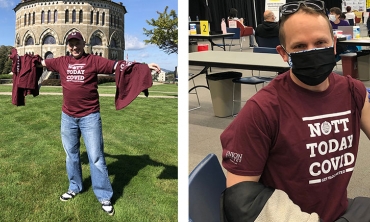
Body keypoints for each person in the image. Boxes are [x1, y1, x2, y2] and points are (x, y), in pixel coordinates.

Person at [220, 1, 370, 221]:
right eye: (300, 46)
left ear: (334, 44)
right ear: (283, 53)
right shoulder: (263, 109)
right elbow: (240, 198)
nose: (312, 51)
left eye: (320, 42)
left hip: (339, 212)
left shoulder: (352, 91)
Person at [39, 31, 160, 216]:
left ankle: (104, 196)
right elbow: (39, 62)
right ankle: (74, 187)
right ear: (67, 45)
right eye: (71, 44)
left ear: (83, 43)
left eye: (77, 43)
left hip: (90, 117)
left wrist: (144, 67)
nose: (74, 47)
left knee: (95, 157)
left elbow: (119, 66)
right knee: (71, 155)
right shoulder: (61, 61)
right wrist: (19, 60)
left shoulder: (93, 61)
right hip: (68, 117)